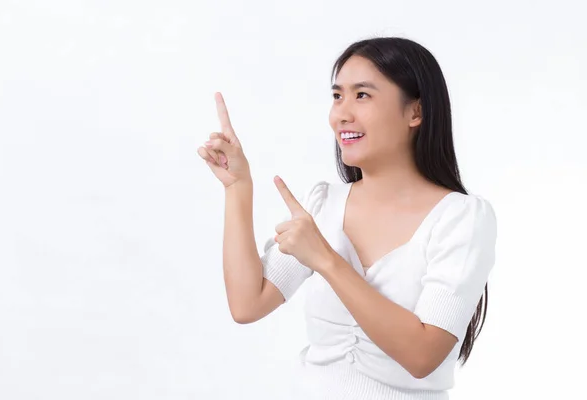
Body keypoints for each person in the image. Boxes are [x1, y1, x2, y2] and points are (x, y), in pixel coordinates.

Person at [197, 36, 497, 400]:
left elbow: (423, 355)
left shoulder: (460, 219)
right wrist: (238, 188)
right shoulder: (323, 205)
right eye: (338, 96)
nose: (341, 114)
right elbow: (247, 304)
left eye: (362, 95)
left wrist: (325, 259)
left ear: (415, 112)